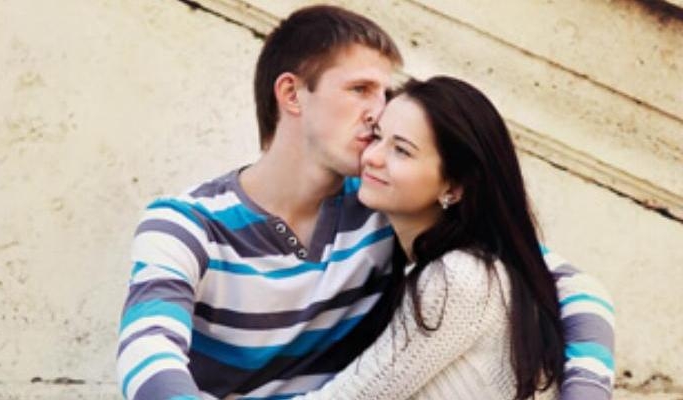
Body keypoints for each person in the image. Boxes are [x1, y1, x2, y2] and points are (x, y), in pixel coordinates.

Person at [116, 5, 615, 400]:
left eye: (385, 91)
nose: (378, 111)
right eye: (360, 89)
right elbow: (148, 352)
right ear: (292, 94)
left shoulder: (384, 207)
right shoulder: (186, 224)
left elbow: (568, 285)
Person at [293, 76, 613, 399]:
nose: (372, 157)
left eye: (401, 151)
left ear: (454, 187)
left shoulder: (460, 278)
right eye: (377, 137)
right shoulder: (444, 262)